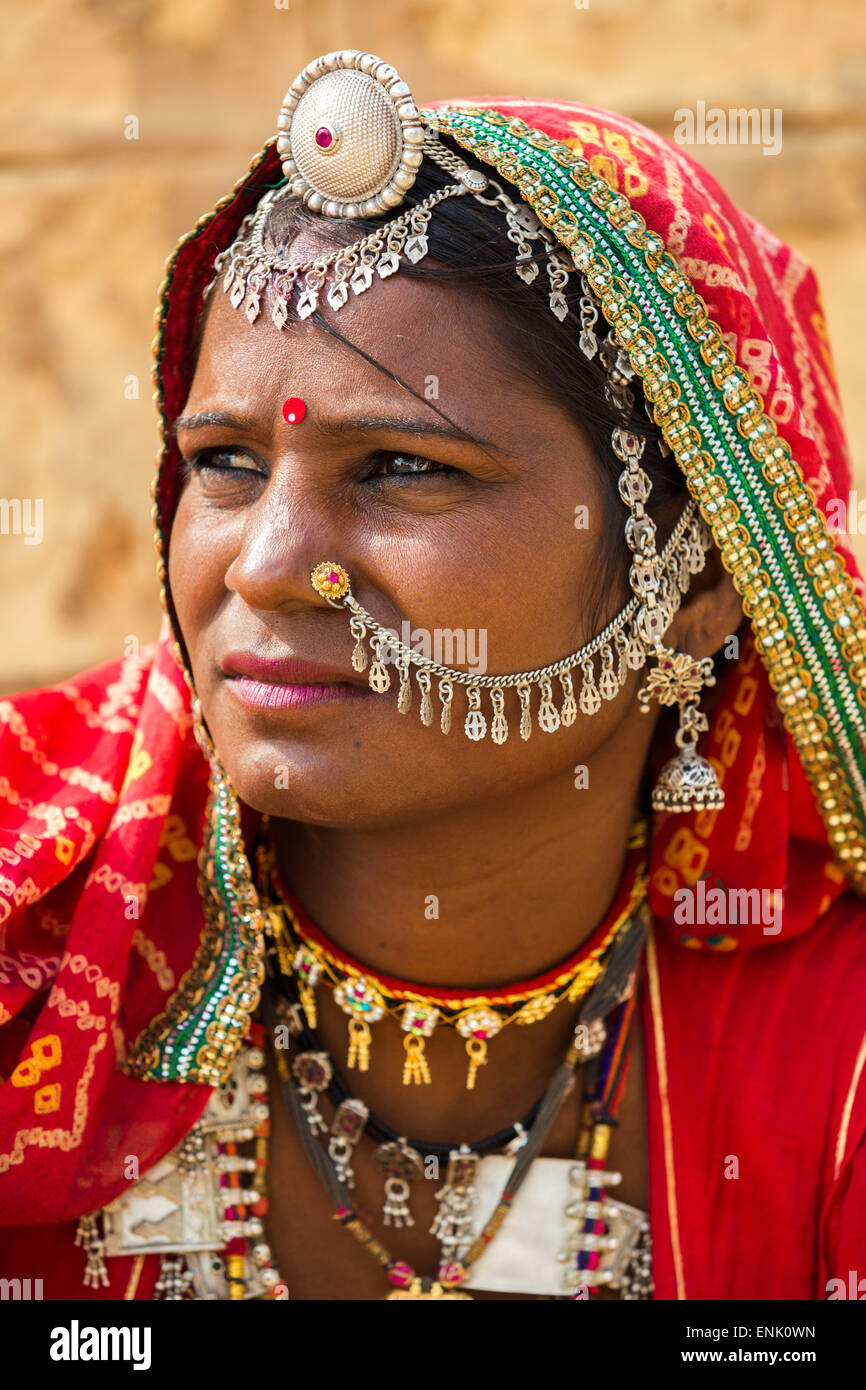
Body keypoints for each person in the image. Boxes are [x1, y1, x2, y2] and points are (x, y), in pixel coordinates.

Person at [1, 49, 864, 1302]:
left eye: (404, 467)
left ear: (692, 587)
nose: (270, 565)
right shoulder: (41, 923)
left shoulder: (829, 1059)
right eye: (226, 463)